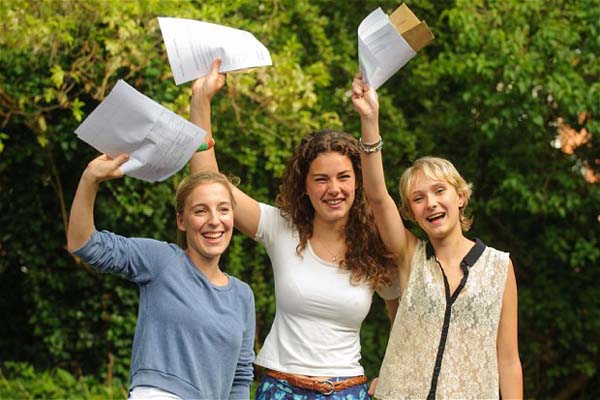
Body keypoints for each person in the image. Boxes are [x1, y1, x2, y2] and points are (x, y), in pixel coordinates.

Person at [189, 59, 400, 399]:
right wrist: (200, 103)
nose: (334, 189)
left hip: (349, 391)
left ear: (358, 183)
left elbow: (402, 324)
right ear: (304, 186)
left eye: (344, 177)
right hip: (281, 388)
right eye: (321, 179)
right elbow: (208, 185)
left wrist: (391, 377)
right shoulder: (281, 227)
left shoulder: (375, 246)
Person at [351, 74, 523, 399]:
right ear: (411, 213)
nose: (430, 203)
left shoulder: (500, 267)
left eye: (439, 191)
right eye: (418, 198)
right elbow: (376, 196)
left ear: (460, 197)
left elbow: (509, 360)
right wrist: (369, 119)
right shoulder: (408, 256)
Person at [66, 155, 255, 400]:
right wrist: (90, 178)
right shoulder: (162, 261)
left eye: (223, 209)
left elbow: (239, 377)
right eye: (200, 211)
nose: (214, 221)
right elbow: (85, 245)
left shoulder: (243, 295)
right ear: (181, 221)